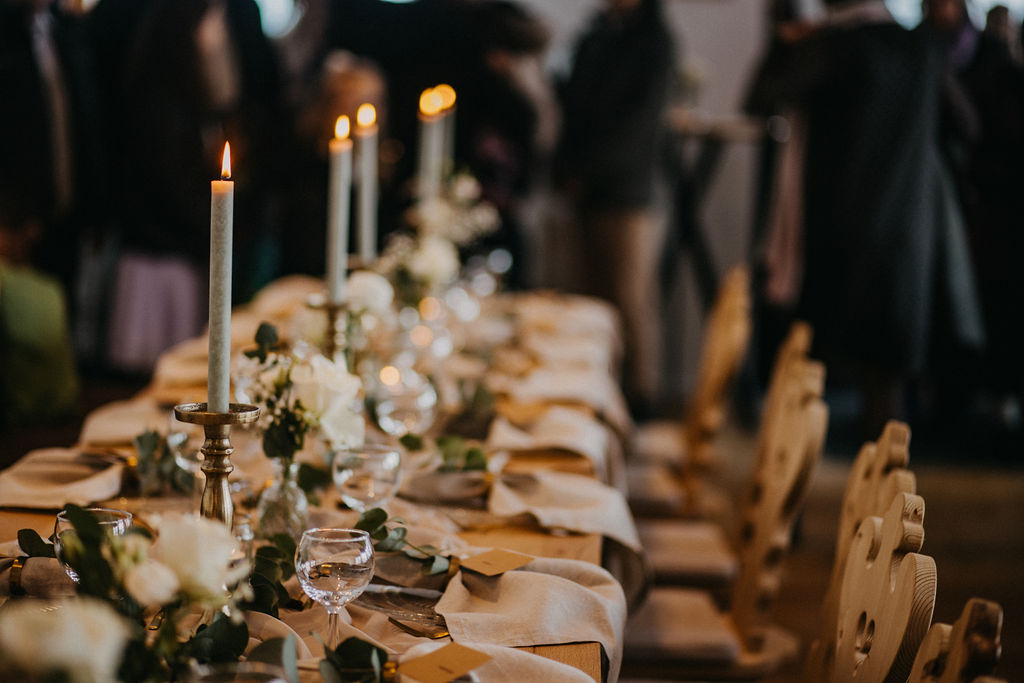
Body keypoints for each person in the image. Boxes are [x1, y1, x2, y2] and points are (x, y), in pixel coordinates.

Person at [746, 0, 984, 436]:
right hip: (905, 233)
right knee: (884, 395)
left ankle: (795, 478)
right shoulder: (923, 48)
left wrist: (785, 43)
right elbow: (966, 125)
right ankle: (886, 477)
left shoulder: (833, 45)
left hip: (837, 231)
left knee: (807, 384)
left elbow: (760, 99)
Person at [89, 0, 286, 374]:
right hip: (162, 244)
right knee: (163, 372)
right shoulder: (162, 41)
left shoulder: (240, 16)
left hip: (203, 235)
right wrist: (214, 225)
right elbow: (157, 160)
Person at [554, 0, 675, 417]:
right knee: (592, 301)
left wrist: (587, 172)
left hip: (628, 190)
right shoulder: (596, 35)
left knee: (630, 299)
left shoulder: (654, 41)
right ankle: (597, 397)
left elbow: (640, 125)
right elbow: (573, 108)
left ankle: (640, 400)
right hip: (585, 189)